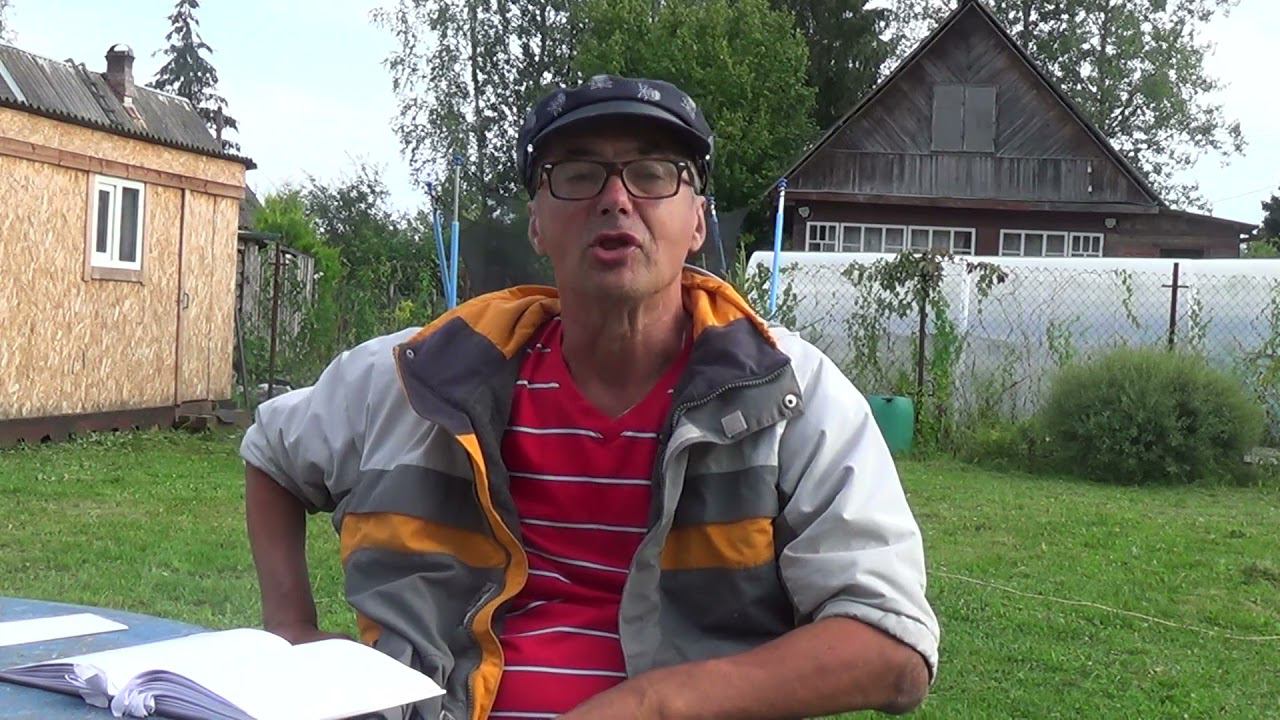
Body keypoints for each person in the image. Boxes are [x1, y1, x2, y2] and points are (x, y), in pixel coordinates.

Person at [241, 74, 940, 720]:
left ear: (698, 222)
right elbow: (272, 452)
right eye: (577, 174)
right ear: (536, 224)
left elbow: (893, 647)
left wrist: (655, 705)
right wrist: (290, 631)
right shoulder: (423, 376)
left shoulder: (785, 390)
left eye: (653, 173)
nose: (616, 198)